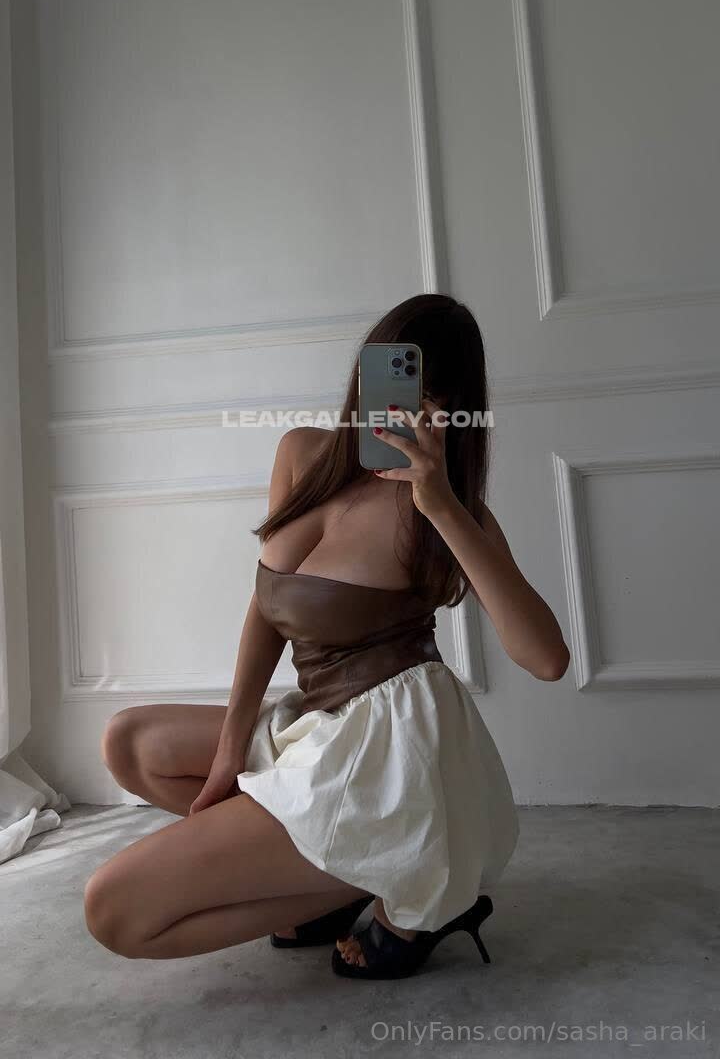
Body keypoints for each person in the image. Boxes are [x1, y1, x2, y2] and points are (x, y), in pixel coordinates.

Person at [85, 293, 569, 979]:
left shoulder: (451, 514)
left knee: (114, 910)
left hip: (388, 753)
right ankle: (372, 877)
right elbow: (266, 608)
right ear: (367, 375)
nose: (405, 410)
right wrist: (230, 749)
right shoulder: (301, 455)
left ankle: (407, 881)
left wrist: (440, 505)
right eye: (397, 381)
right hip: (316, 724)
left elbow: (546, 658)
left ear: (455, 411)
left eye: (432, 398)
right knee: (131, 742)